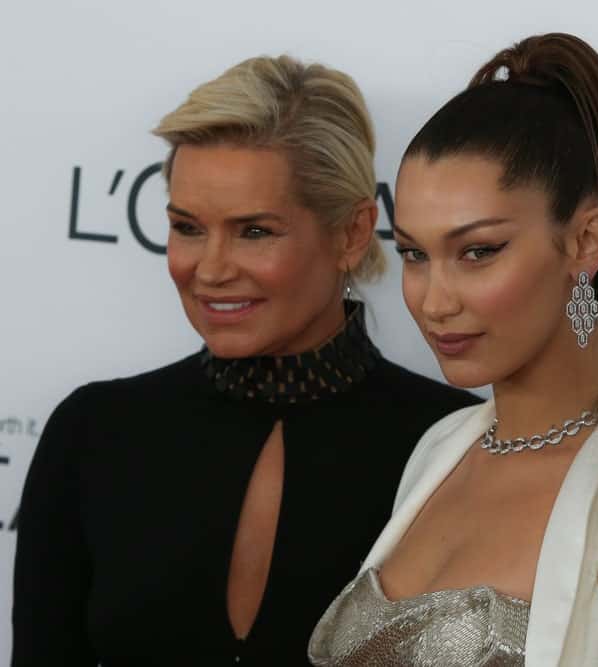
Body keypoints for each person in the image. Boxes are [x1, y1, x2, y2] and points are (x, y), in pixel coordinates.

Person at [12, 55, 478, 667]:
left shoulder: (456, 448)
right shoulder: (94, 432)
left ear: (352, 233)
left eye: (254, 231)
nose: (209, 269)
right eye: (187, 227)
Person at [308, 33, 598, 666]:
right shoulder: (439, 449)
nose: (434, 300)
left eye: (478, 251)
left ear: (588, 240)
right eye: (414, 255)